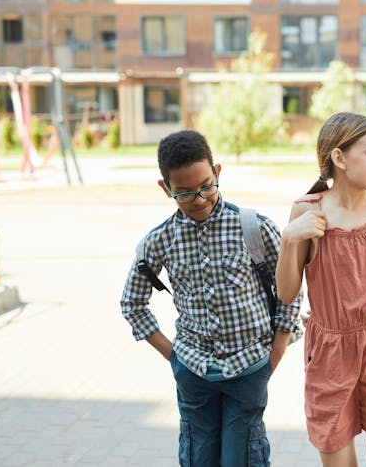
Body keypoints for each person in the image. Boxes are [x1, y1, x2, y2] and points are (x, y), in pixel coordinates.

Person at [120, 130, 302, 466]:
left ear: (217, 171)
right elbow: (132, 303)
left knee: (242, 457)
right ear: (166, 188)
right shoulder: (159, 240)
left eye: (207, 186)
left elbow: (289, 293)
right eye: (186, 194)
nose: (201, 199)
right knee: (199, 457)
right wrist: (174, 356)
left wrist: (275, 352)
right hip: (193, 373)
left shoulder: (254, 227)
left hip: (249, 367)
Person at [275, 112, 366, 467]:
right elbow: (286, 293)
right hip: (329, 353)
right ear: (339, 158)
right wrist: (289, 239)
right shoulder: (306, 211)